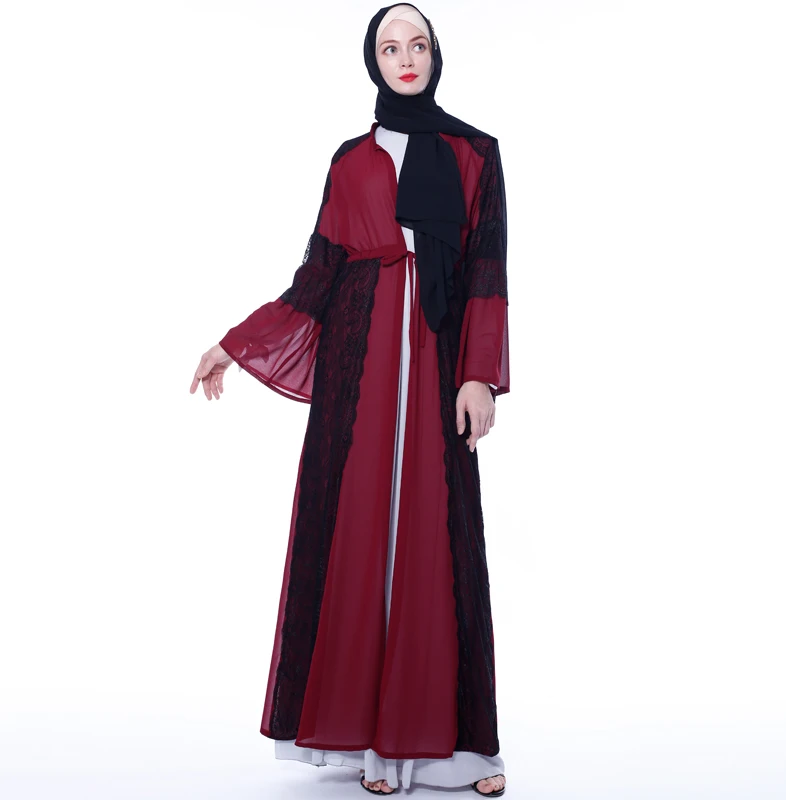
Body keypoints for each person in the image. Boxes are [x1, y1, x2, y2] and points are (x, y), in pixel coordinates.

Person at [190, 3, 510, 795]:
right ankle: (373, 746)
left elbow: (485, 268)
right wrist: (235, 341)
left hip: (436, 356)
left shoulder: (474, 153)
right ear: (374, 61)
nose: (406, 58)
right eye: (389, 47)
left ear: (436, 54)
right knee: (359, 532)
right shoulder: (350, 161)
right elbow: (318, 274)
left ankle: (461, 751)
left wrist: (478, 373)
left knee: (437, 536)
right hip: (357, 366)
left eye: (418, 44)